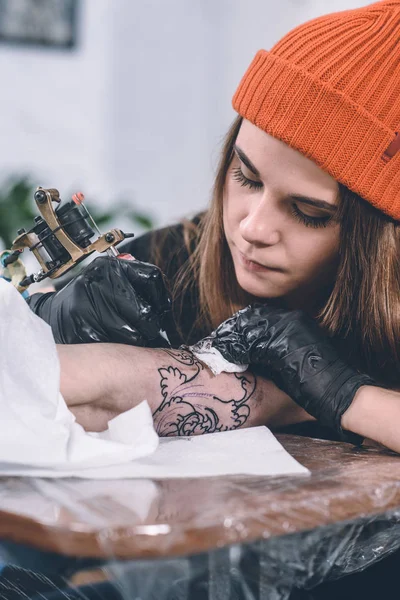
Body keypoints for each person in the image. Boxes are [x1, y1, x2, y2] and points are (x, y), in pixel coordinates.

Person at [30, 0, 400, 452]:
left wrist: (343, 394)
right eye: (246, 176)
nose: (253, 228)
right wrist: (47, 317)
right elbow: (42, 379)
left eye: (310, 213)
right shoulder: (175, 260)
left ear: (383, 239)